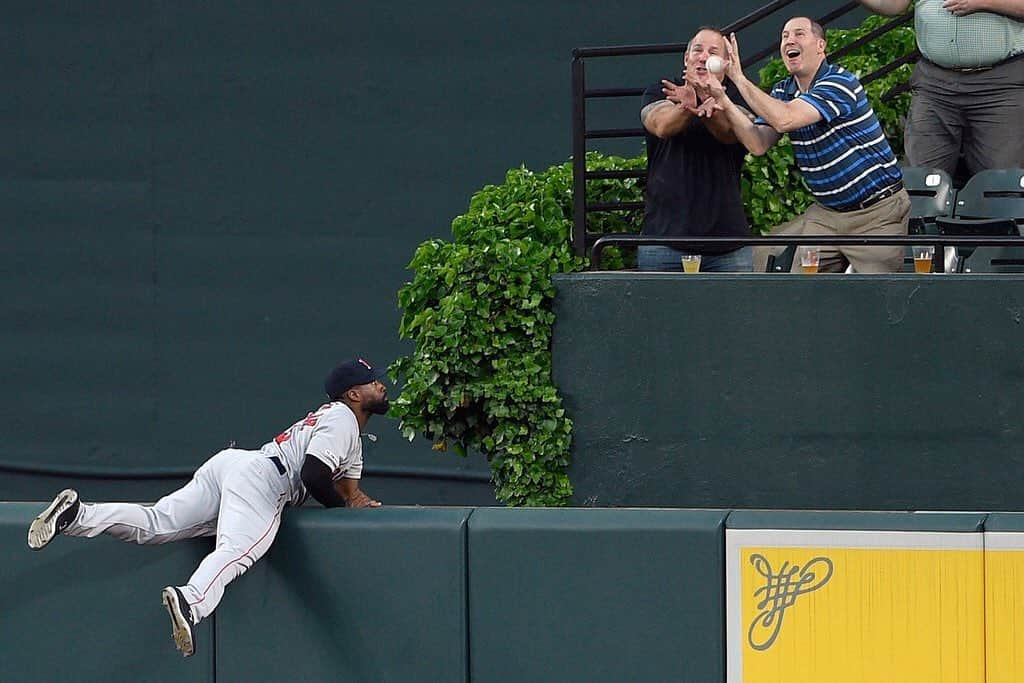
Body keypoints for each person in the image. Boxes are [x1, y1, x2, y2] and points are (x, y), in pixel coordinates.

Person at [26, 358, 389, 658]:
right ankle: (190, 600)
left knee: (157, 521)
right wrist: (340, 503)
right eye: (373, 382)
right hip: (264, 482)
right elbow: (313, 473)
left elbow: (347, 490)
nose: (381, 386)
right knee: (236, 552)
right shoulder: (342, 419)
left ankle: (79, 515)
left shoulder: (343, 428)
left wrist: (353, 501)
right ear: (353, 394)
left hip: (233, 464)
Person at [704, 17, 910, 272]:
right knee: (801, 293)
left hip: (876, 213)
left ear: (820, 45)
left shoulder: (839, 82)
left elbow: (785, 119)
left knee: (884, 302)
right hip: (827, 214)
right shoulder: (783, 91)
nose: (789, 40)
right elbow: (757, 143)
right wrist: (723, 100)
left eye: (799, 34)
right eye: (785, 35)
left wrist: (738, 78)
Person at [858, 0, 1024, 178]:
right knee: (919, 178)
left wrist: (983, 3)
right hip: (934, 84)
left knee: (1001, 181)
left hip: (1000, 85)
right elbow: (893, 5)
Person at [638, 26, 755, 272]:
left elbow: (731, 134)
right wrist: (686, 106)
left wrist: (706, 100)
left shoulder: (739, 97)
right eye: (697, 50)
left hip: (728, 250)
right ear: (686, 58)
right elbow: (660, 125)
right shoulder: (663, 90)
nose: (703, 57)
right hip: (662, 244)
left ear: (725, 63)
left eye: (712, 52)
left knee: (734, 312)